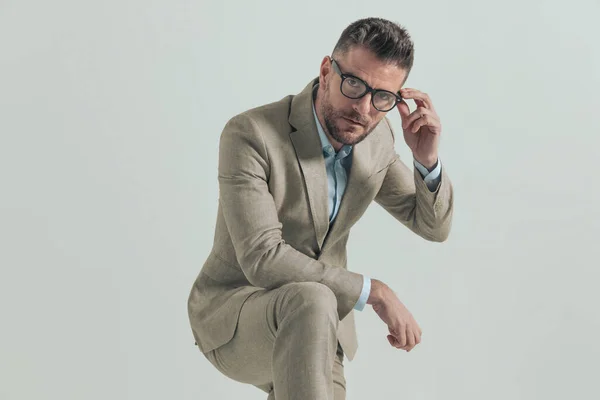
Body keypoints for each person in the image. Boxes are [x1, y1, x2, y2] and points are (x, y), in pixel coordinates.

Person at [188, 17, 454, 400]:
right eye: (354, 85)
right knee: (312, 298)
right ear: (327, 70)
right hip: (236, 315)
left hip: (320, 326)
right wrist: (373, 291)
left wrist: (426, 160)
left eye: (382, 97)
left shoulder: (375, 139)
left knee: (315, 308)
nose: (363, 108)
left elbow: (434, 227)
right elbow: (263, 257)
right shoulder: (251, 134)